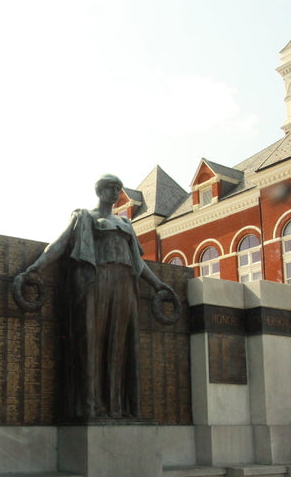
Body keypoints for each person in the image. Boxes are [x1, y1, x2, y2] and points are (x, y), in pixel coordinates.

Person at [14, 174, 177, 420]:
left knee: (119, 346)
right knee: (92, 342)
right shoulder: (85, 217)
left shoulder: (125, 224)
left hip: (124, 285)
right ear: (99, 191)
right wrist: (35, 268)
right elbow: (59, 245)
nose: (114, 193)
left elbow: (137, 263)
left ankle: (118, 408)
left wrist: (158, 285)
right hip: (96, 280)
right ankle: (91, 407)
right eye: (109, 188)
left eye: (117, 189)